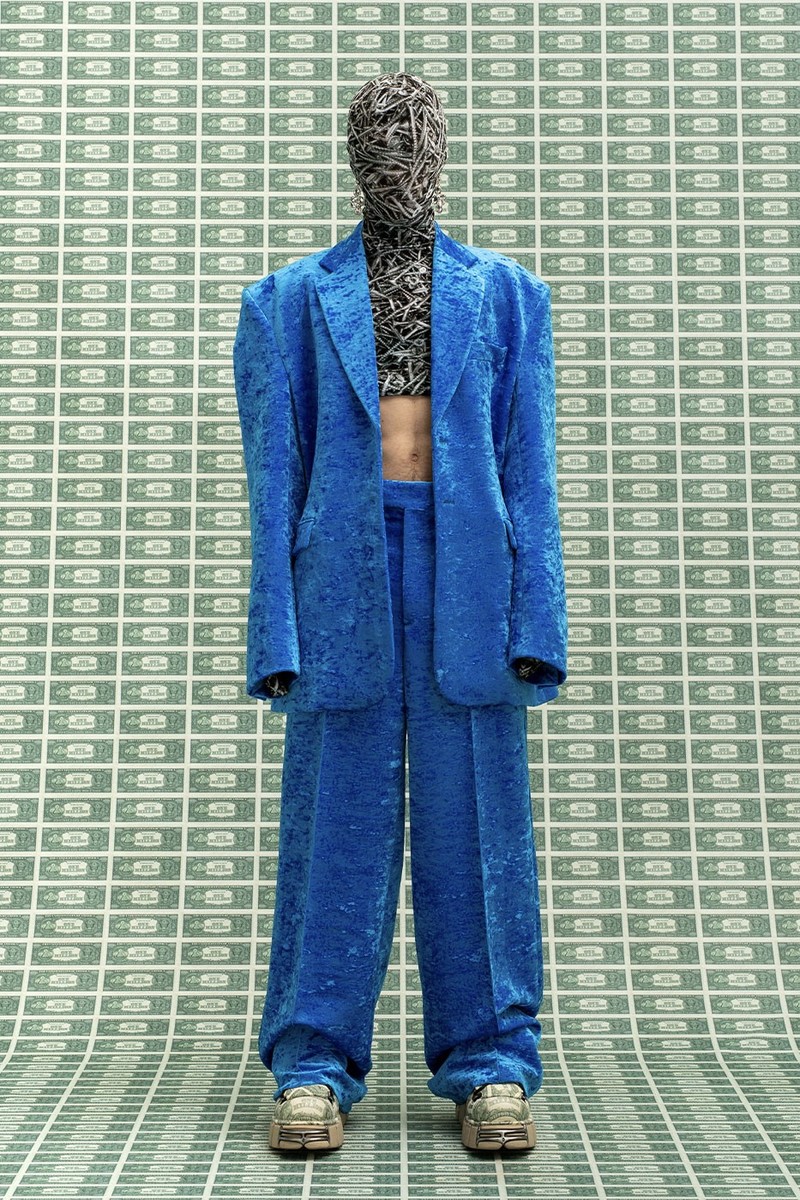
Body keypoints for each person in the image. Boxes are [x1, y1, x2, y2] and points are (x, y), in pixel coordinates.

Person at [232, 72, 567, 1153]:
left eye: (415, 147)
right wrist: (275, 632)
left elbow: (531, 472)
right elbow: (272, 481)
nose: (399, 167)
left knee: (480, 825)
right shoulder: (285, 302)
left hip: (471, 571)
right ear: (353, 162)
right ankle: (311, 1064)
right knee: (332, 823)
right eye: (379, 149)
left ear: (442, 156)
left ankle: (492, 1062)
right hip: (339, 575)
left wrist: (539, 624)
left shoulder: (507, 297)